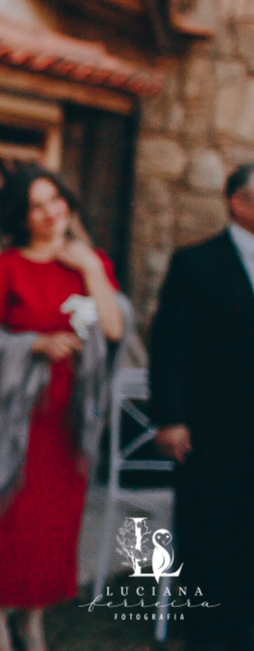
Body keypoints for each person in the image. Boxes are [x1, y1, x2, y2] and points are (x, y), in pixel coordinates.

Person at [0, 165, 127, 651]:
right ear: (21, 217)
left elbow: (111, 329)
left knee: (50, 530)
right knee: (1, 526)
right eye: (36, 206)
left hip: (66, 427)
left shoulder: (93, 264)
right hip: (10, 425)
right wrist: (33, 344)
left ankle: (34, 618)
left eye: (56, 200)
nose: (50, 213)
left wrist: (88, 268)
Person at [149, 161, 254, 651]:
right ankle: (209, 635)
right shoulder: (196, 263)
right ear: (239, 202)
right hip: (212, 428)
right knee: (209, 532)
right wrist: (169, 417)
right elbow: (169, 344)